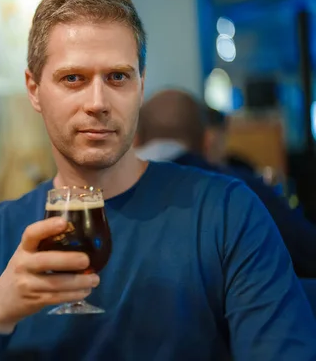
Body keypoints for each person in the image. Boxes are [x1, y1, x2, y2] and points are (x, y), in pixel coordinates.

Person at [0, 0, 316, 360]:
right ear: (34, 89)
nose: (98, 102)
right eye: (73, 78)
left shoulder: (226, 213)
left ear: (140, 87)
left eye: (118, 77)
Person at [135, 89, 316, 278]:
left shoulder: (108, 190)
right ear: (207, 141)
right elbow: (307, 250)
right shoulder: (238, 189)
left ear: (137, 139)